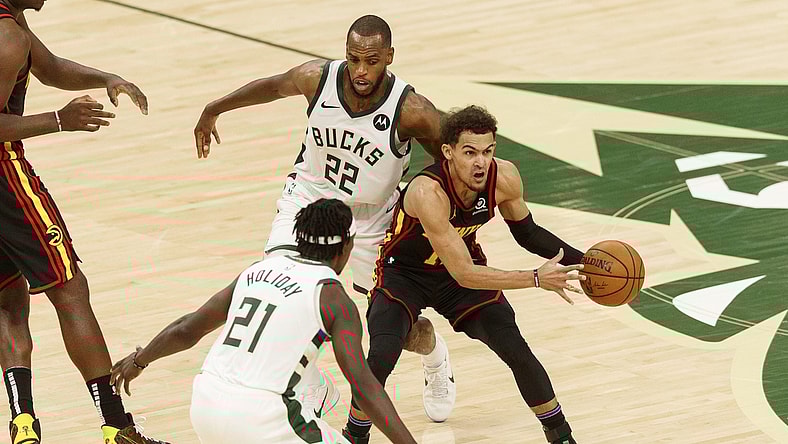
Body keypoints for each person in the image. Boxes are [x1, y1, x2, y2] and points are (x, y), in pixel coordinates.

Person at [193, 14, 456, 424]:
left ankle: (435, 356)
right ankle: (310, 383)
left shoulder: (412, 110)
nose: (361, 70)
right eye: (354, 59)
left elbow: (453, 159)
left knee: (394, 327)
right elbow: (272, 86)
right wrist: (214, 108)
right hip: (308, 200)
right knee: (280, 290)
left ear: (389, 57)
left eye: (371, 61)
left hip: (371, 219)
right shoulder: (316, 78)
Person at [342, 105, 585, 444]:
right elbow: (465, 274)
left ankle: (561, 436)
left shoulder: (505, 177)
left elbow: (528, 233)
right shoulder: (428, 192)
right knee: (382, 353)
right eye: (470, 153)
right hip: (405, 273)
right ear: (448, 152)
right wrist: (535, 278)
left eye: (487, 151)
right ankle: (354, 436)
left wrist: (586, 262)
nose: (480, 162)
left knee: (515, 347)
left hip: (458, 270)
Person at [110, 199, 418, 444]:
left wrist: (139, 360)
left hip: (205, 404)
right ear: (347, 246)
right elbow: (364, 386)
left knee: (310, 389)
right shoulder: (334, 299)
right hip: (262, 420)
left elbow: (187, 329)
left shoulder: (256, 271)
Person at [0, 1, 167, 443]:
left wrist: (106, 77)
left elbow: (49, 67)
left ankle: (23, 425)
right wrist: (59, 119)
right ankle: (117, 427)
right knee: (71, 291)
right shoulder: (7, 35)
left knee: (8, 300)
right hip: (4, 180)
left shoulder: (12, 23)